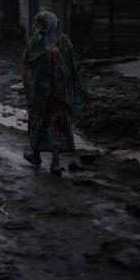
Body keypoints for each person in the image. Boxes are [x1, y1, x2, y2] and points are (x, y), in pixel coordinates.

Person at [22, 11, 87, 175]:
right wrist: (76, 85)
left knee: (40, 123)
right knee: (55, 125)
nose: (38, 27)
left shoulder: (36, 42)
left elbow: (27, 64)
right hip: (60, 93)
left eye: (39, 23)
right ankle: (55, 162)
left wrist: (30, 89)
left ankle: (37, 155)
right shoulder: (64, 40)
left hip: (41, 94)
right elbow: (75, 64)